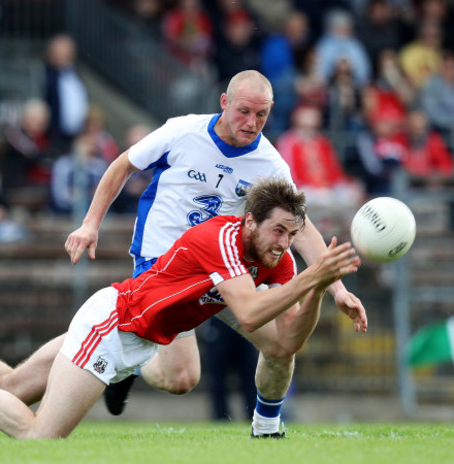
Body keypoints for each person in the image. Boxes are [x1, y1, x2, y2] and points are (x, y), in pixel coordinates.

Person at [0, 178, 361, 440]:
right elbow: (248, 316)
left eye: (293, 236)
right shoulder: (221, 239)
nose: (284, 243)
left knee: (15, 387)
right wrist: (317, 274)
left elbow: (288, 342)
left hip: (136, 338)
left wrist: (319, 288)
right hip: (113, 322)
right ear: (249, 222)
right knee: (38, 437)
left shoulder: (278, 262)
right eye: (277, 231)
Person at [62, 70, 367, 436]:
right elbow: (123, 165)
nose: (251, 123)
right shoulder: (182, 131)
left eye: (261, 115)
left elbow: (299, 227)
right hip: (164, 262)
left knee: (283, 344)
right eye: (243, 112)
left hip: (227, 269)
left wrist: (338, 290)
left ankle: (267, 427)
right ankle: (127, 367)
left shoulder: (270, 165)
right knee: (182, 378)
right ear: (224, 102)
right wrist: (90, 224)